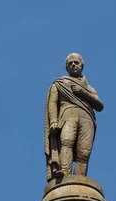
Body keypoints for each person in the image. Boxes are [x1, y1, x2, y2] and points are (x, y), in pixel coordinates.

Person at [44, 53, 104, 181]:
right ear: (66, 68)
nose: (73, 65)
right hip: (67, 116)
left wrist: (83, 92)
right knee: (67, 141)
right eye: (70, 63)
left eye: (76, 62)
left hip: (87, 118)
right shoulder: (60, 83)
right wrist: (53, 121)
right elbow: (52, 103)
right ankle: (64, 173)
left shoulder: (88, 87)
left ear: (82, 65)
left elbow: (100, 105)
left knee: (84, 151)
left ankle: (80, 179)